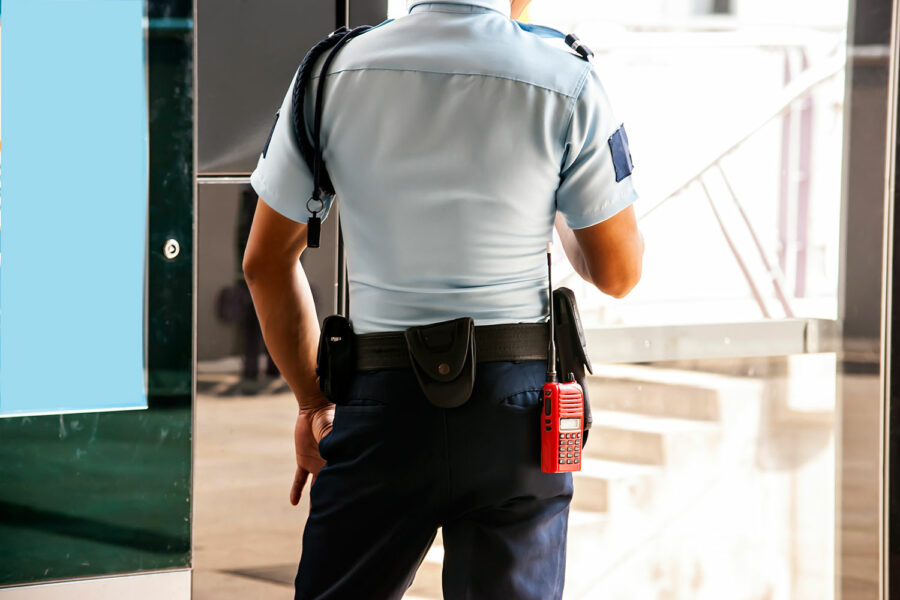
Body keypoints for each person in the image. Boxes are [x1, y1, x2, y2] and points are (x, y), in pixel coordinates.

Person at [242, 0, 644, 598]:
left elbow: (265, 263)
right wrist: (555, 209)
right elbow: (618, 272)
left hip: (380, 407)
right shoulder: (569, 78)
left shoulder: (328, 74)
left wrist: (310, 402)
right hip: (518, 416)